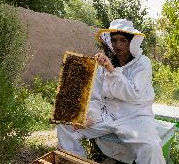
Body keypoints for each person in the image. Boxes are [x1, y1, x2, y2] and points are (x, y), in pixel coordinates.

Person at [57, 19, 166, 164]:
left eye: (123, 40)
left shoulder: (143, 63)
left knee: (152, 147)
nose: (118, 45)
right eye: (114, 40)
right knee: (66, 124)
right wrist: (90, 117)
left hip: (135, 116)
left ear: (132, 42)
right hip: (107, 116)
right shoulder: (105, 64)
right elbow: (96, 96)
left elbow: (133, 93)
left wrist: (111, 70)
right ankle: (75, 161)